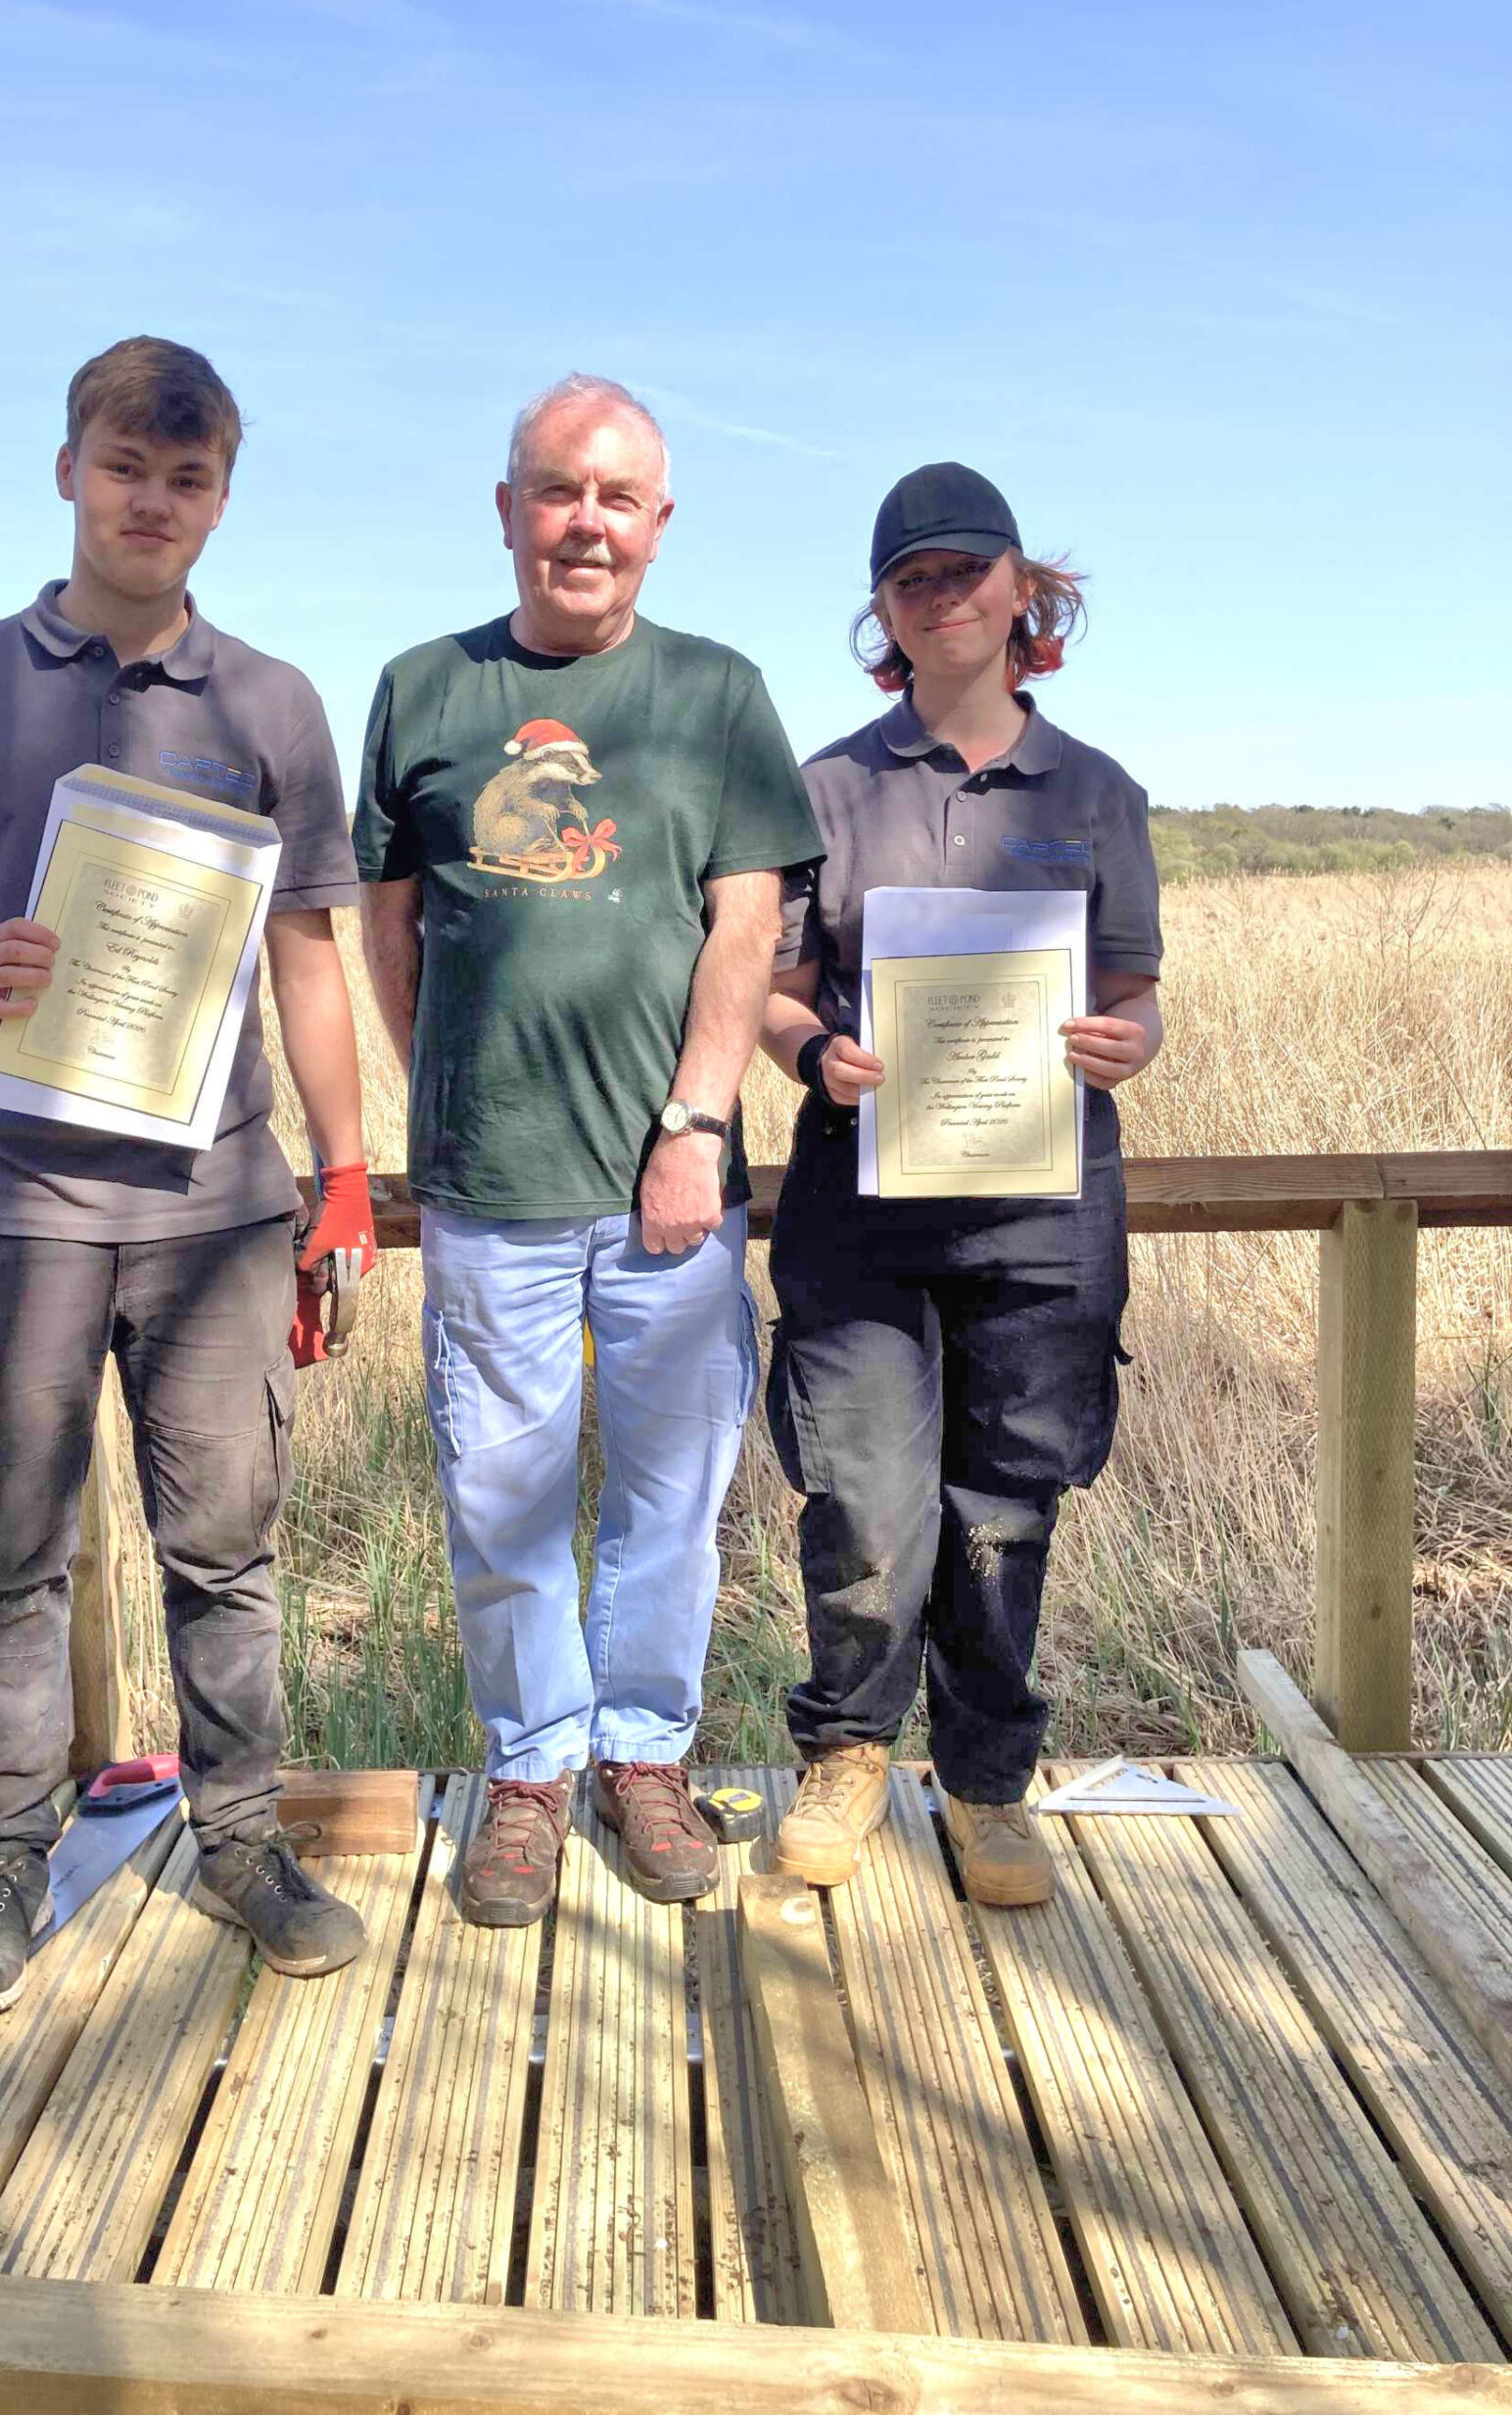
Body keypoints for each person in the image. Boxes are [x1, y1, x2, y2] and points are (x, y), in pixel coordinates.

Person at [0, 336, 378, 2017]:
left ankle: (238, 1841)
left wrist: (343, 1176)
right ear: (69, 470)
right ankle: (1, 1864)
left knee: (229, 1547)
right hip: (6, 1198)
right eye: (127, 467)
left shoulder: (272, 702)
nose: (154, 501)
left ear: (222, 499)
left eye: (189, 478)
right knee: (6, 1548)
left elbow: (304, 953)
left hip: (219, 1207)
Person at [354, 374, 823, 1927]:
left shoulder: (719, 694)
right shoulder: (423, 690)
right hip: (490, 1190)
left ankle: (646, 1756)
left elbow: (746, 921)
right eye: (559, 490)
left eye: (619, 498)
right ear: (507, 510)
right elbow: (394, 923)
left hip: (671, 1194)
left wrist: (693, 1124)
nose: (587, 523)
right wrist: (451, 1095)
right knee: (500, 1495)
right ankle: (534, 1772)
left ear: (661, 525)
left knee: (669, 1501)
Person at [759, 462, 1162, 1903]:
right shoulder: (825, 785)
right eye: (911, 578)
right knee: (863, 1500)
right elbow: (778, 990)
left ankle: (988, 1783)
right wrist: (817, 1056)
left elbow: (1136, 993)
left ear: (1020, 591)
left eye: (966, 572)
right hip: (857, 1210)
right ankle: (848, 1756)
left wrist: (1128, 1042)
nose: (942, 597)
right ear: (882, 610)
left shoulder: (1094, 791)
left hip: (1042, 1209)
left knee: (1006, 1508)